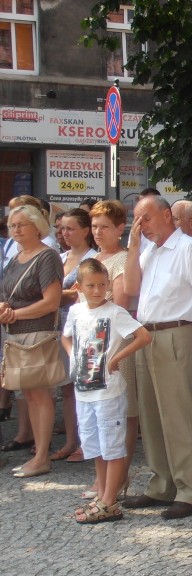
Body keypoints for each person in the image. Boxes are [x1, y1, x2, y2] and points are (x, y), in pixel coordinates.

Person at [122, 195, 192, 520]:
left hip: (176, 332)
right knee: (151, 414)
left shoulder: (189, 248)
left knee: (178, 414)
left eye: (144, 218)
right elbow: (131, 288)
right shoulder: (149, 250)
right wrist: (134, 247)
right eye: (136, 219)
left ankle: (190, 490)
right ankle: (162, 482)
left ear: (166, 216)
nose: (140, 225)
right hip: (147, 334)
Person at [62, 259, 151, 523]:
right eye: (91, 286)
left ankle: (110, 501)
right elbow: (66, 336)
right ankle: (101, 494)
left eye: (103, 285)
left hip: (108, 392)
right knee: (94, 446)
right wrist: (72, 357)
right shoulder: (76, 312)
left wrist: (116, 358)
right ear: (79, 287)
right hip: (83, 390)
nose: (98, 290)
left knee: (112, 445)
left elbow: (144, 336)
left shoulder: (115, 312)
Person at [0, 205, 63, 477]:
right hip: (15, 334)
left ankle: (41, 456)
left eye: (21, 225)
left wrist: (15, 313)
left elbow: (51, 302)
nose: (15, 230)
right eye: (12, 225)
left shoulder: (47, 257)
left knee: (40, 394)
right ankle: (37, 453)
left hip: (36, 334)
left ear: (37, 226)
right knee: (29, 393)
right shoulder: (16, 257)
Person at [89, 199, 140, 499]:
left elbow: (119, 304)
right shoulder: (96, 258)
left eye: (104, 227)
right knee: (98, 411)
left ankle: (119, 476)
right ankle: (104, 478)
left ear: (120, 229)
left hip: (115, 343)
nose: (97, 232)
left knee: (123, 411)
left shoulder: (121, 260)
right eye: (94, 226)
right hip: (92, 344)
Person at [54, 208, 99, 463]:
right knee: (66, 387)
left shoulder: (92, 259)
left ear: (85, 230)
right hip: (62, 327)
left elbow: (78, 294)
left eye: (70, 228)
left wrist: (59, 296)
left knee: (85, 385)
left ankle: (86, 441)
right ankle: (71, 439)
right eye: (62, 228)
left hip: (86, 328)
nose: (64, 233)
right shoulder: (60, 257)